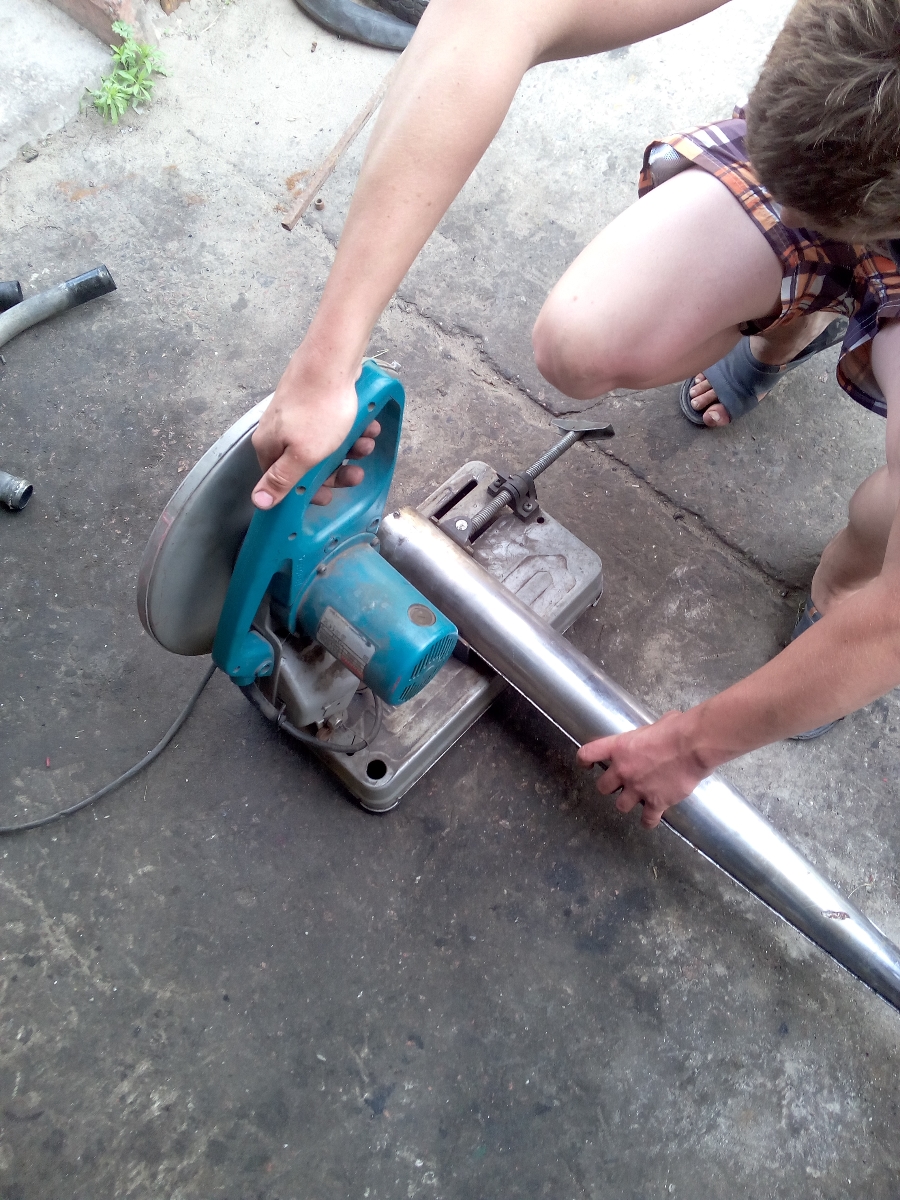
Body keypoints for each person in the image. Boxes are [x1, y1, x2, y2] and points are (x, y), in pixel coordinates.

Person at [251, 0, 900, 829]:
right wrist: (326, 362)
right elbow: (489, 14)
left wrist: (693, 746)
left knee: (881, 523)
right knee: (580, 341)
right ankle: (791, 315)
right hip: (841, 170)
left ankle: (841, 580)